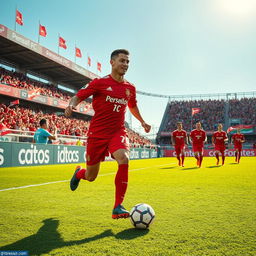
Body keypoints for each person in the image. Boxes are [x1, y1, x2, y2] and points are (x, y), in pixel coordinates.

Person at [65, 49, 151, 219]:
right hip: (97, 133)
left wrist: (142, 121)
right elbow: (78, 96)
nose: (125, 64)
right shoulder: (99, 83)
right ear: (112, 62)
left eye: (127, 62)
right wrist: (71, 105)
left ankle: (118, 206)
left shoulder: (130, 88)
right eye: (122, 61)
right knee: (91, 176)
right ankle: (79, 173)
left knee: (124, 158)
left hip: (117, 131)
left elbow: (132, 106)